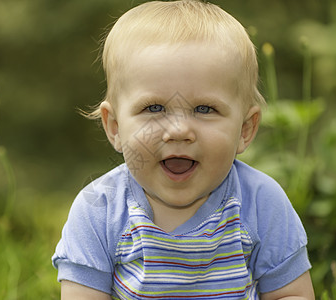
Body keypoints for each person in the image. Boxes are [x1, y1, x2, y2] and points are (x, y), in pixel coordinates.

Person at [52, 0, 315, 299]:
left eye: (205, 108)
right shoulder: (98, 211)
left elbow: (292, 293)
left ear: (244, 129)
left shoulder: (260, 203)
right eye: (154, 108)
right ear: (115, 127)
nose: (178, 131)